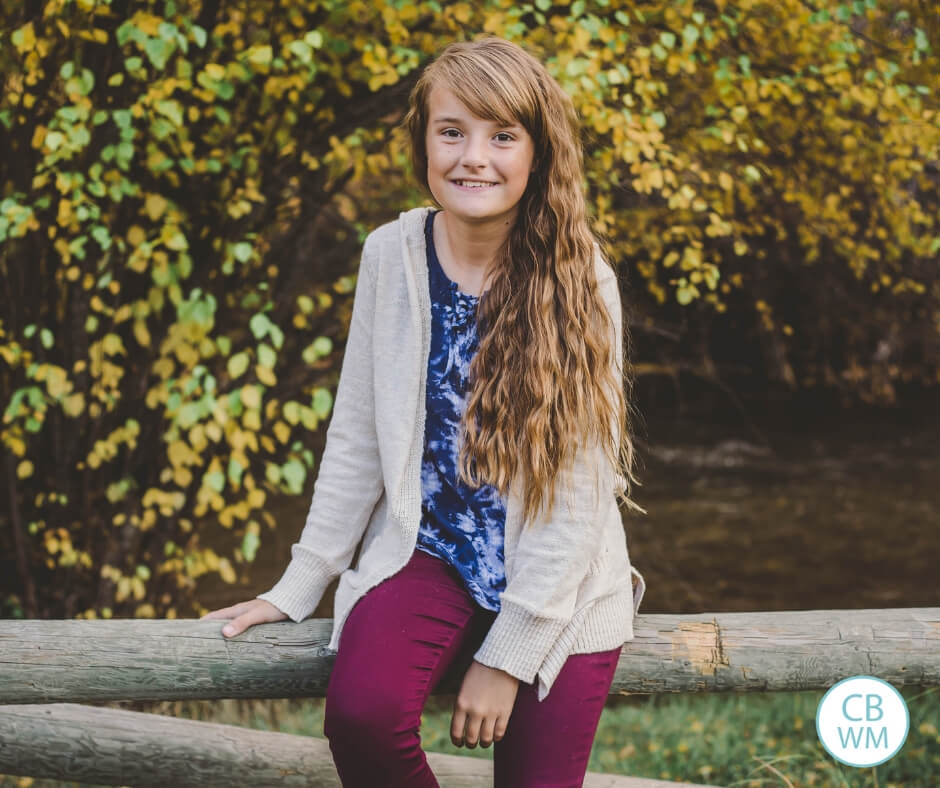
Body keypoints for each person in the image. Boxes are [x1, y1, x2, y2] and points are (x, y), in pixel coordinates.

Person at [202, 35, 647, 788]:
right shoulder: (391, 255)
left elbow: (576, 494)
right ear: (424, 143)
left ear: (537, 153)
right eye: (453, 132)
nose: (474, 157)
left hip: (558, 579)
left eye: (502, 135)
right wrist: (302, 580)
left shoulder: (580, 279)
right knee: (363, 716)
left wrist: (506, 657)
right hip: (432, 548)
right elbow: (357, 437)